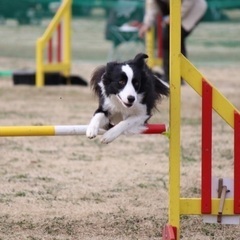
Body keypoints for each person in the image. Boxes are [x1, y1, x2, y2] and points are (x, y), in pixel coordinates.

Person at [138, 0, 207, 83]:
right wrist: (147, 24)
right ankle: (173, 75)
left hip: (192, 10)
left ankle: (172, 76)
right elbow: (152, 8)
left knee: (170, 39)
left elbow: (188, 3)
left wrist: (172, 17)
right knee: (173, 40)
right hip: (174, 11)